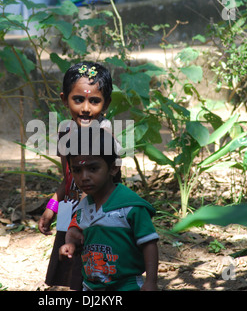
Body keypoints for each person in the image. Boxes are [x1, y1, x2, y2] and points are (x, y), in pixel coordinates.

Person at [38, 61, 115, 290]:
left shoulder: (105, 134)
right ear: (65, 99)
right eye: (78, 99)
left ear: (106, 103)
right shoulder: (65, 131)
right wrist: (52, 206)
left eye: (94, 100)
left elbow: (111, 182)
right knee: (70, 269)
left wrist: (82, 218)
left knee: (96, 269)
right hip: (70, 207)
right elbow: (68, 178)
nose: (85, 108)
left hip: (98, 210)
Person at [59, 128, 159, 291]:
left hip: (127, 286)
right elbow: (79, 234)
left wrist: (151, 282)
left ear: (113, 168)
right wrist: (71, 243)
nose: (84, 177)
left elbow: (149, 243)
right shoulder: (84, 205)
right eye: (77, 170)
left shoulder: (130, 206)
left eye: (93, 169)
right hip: (91, 286)